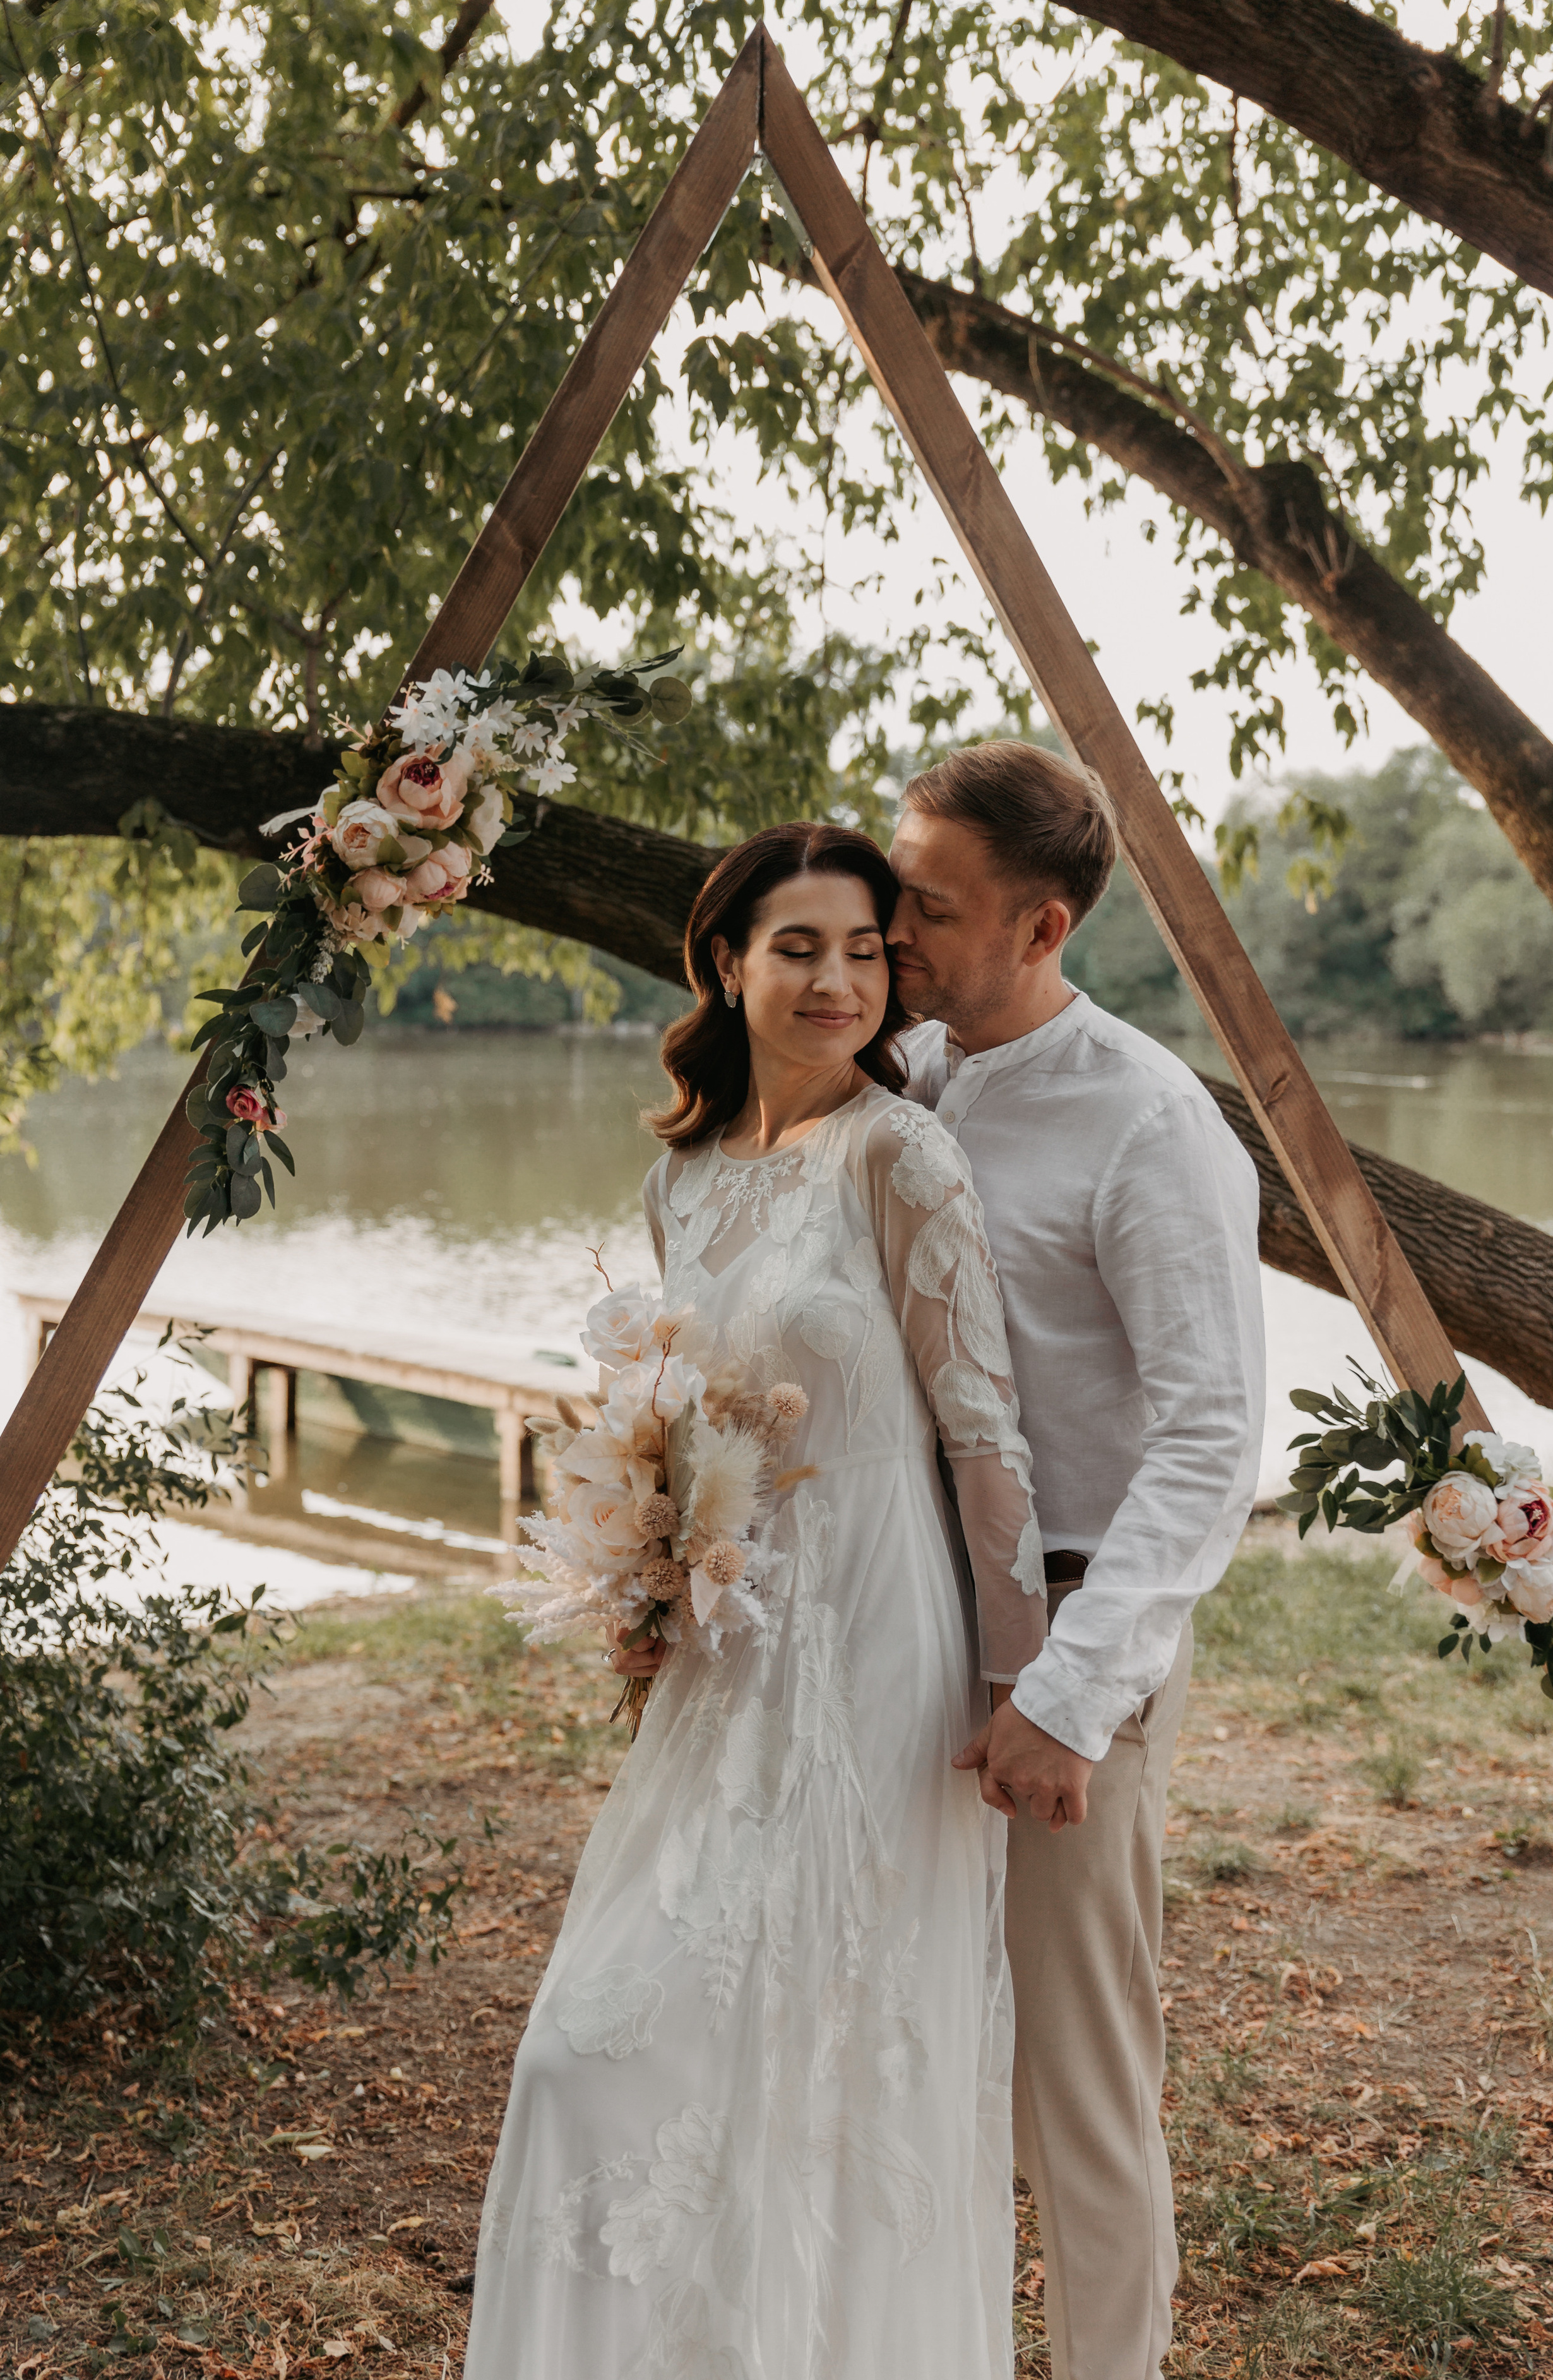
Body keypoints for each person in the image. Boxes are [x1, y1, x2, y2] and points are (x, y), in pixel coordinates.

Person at [465, 823, 1049, 2380]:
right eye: (798, 948)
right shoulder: (680, 1178)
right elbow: (673, 1417)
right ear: (725, 962)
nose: (838, 980)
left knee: (834, 2042)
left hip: (879, 1633)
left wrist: (1019, 1689)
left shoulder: (900, 1153)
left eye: (865, 950)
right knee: (599, 2050)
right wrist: (646, 1572)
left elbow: (982, 1431)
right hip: (727, 1644)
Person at [890, 741, 1266, 2380]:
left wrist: (1073, 1690)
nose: (897, 927)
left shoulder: (1151, 1126)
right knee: (905, 2028)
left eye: (933, 904)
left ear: (1044, 927)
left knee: (1081, 2067)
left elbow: (1209, 1444)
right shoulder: (896, 1073)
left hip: (1071, 1635)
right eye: (898, 884)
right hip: (892, 1619)